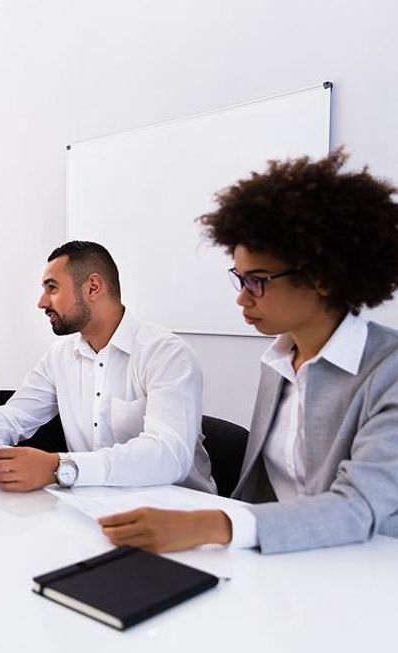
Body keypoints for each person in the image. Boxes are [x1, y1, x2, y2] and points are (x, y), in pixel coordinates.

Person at [99, 150, 398, 554]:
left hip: (367, 568)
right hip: (285, 561)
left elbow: (358, 508)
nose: (242, 299)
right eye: (239, 279)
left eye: (258, 281)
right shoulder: (279, 361)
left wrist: (209, 525)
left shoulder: (388, 371)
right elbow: (260, 491)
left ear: (323, 277)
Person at [0, 241, 214, 494]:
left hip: (180, 514)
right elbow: (15, 417)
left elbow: (167, 456)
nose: (41, 302)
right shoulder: (60, 356)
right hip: (96, 503)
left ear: (93, 287)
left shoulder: (166, 354)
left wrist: (59, 467)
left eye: (52, 288)